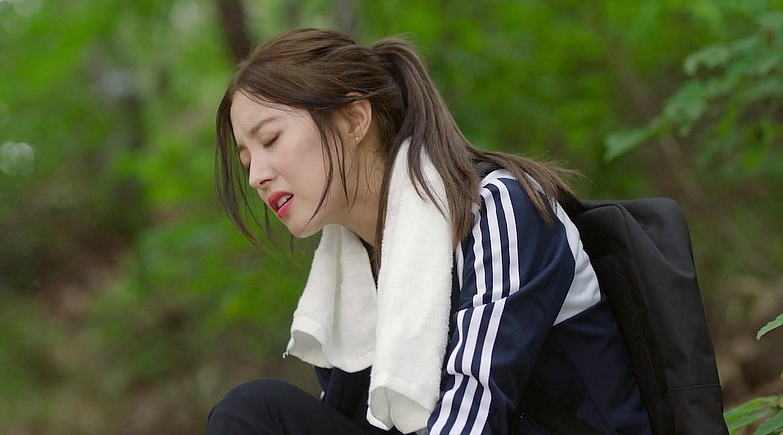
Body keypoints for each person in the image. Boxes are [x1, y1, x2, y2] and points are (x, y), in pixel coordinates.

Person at [208, 28, 652, 434]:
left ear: (354, 118)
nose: (257, 177)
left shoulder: (499, 209)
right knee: (252, 412)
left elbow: (474, 416)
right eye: (247, 162)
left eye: (270, 140)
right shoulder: (346, 278)